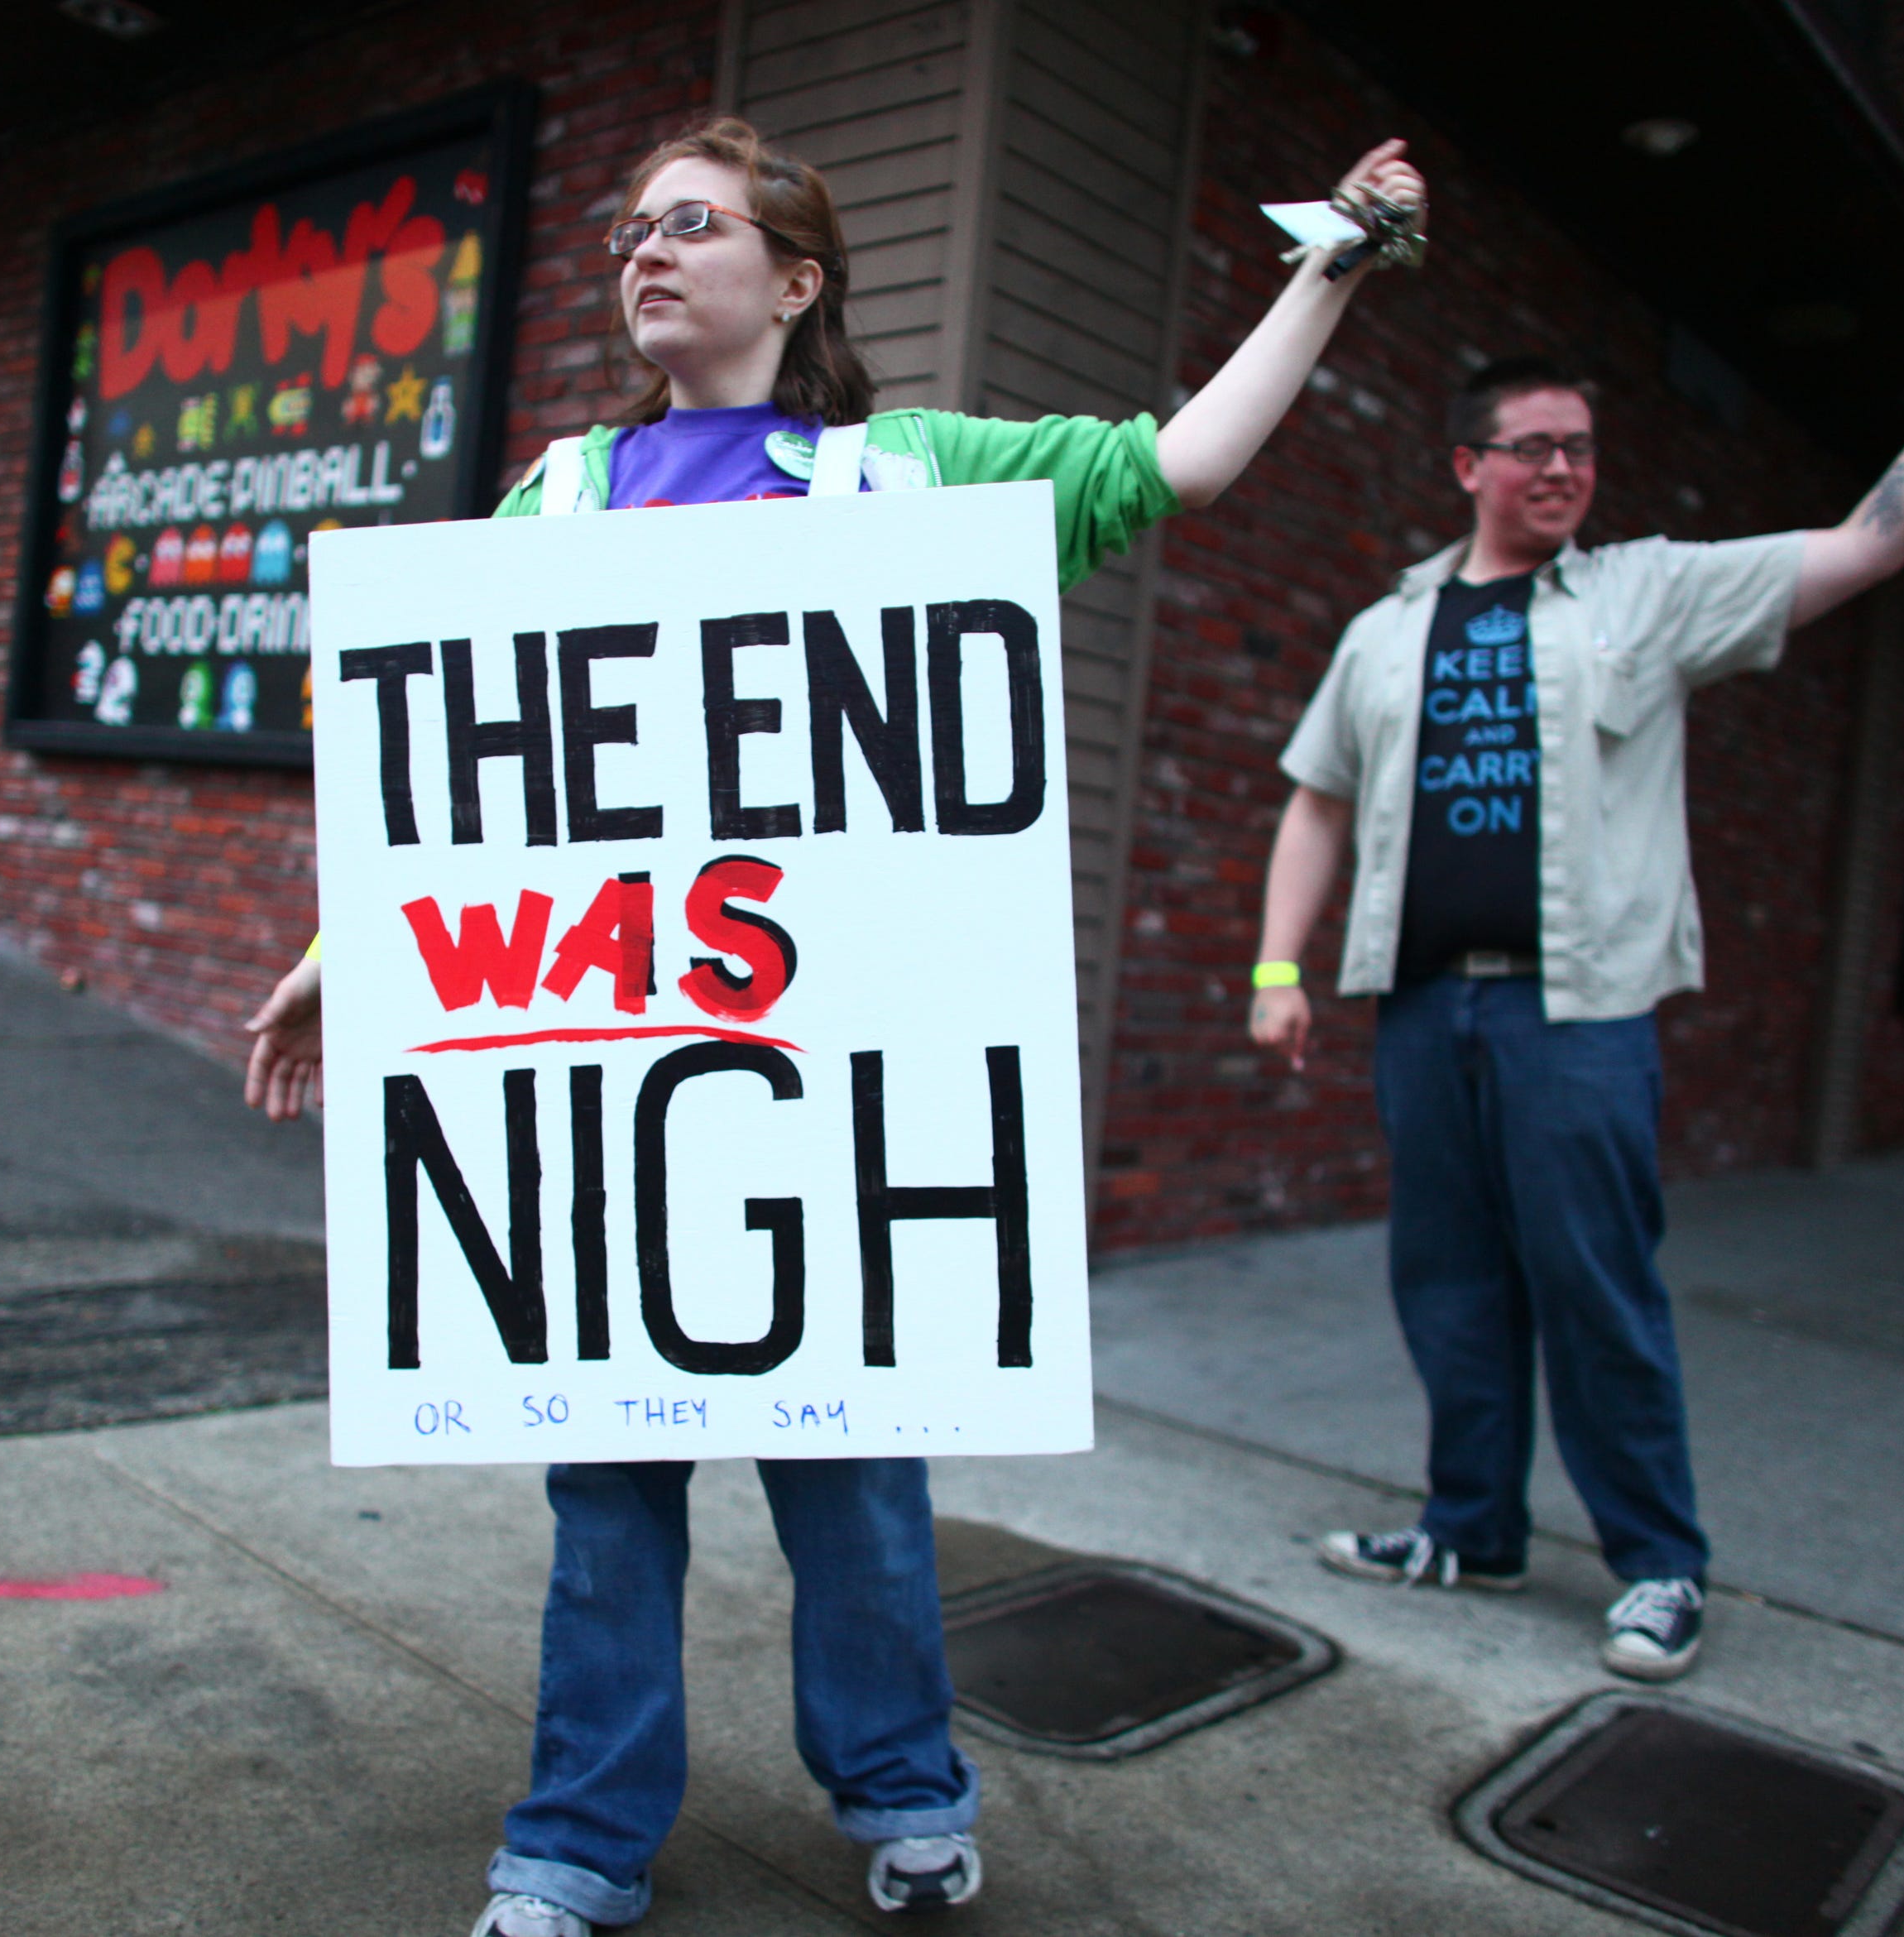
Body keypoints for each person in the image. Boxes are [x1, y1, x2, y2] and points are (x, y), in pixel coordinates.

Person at [243, 115, 1426, 1937]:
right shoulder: (556, 501)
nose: (648, 249)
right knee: (608, 1490)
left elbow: (1176, 464)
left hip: (831, 1097)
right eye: (634, 226)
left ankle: (902, 1790)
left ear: (796, 279)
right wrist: (349, 947)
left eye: (694, 225)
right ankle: (574, 1844)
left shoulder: (908, 480)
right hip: (616, 1078)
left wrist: (1329, 260)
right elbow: (458, 787)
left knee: (859, 1490)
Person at [1246, 250, 1904, 1683]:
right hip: (1424, 1010)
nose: (1561, 469)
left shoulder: (1647, 596)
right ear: (1465, 464)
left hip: (1576, 1015)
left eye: (1580, 448)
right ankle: (1467, 1527)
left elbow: (1868, 542)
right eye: (1532, 446)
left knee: (1595, 1286)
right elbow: (1315, 796)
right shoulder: (1383, 633)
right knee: (1445, 1286)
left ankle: (1656, 1565)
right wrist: (1272, 966)